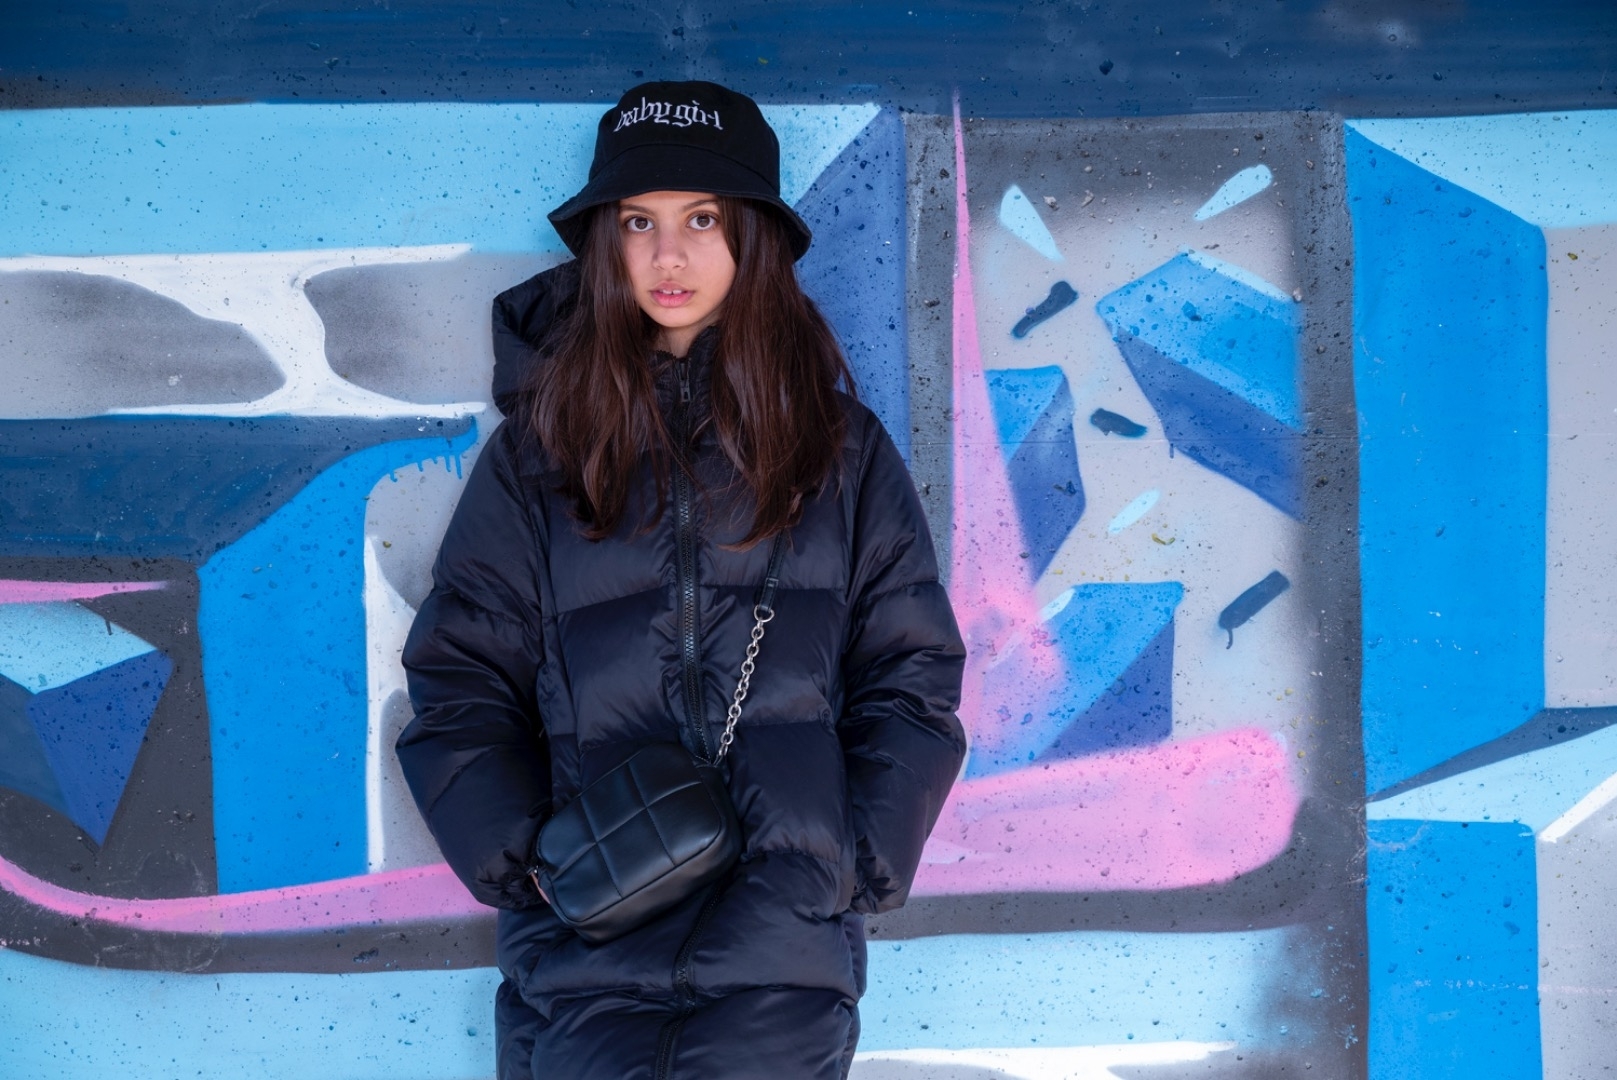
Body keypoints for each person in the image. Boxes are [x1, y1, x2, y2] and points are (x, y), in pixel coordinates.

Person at [396, 80, 966, 1080]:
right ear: (604, 244)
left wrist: (855, 856)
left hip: (781, 950)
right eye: (638, 223)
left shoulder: (838, 451)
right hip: (586, 953)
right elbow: (460, 680)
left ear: (753, 238)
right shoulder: (539, 456)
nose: (668, 255)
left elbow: (909, 670)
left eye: (702, 219)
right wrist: (528, 862)